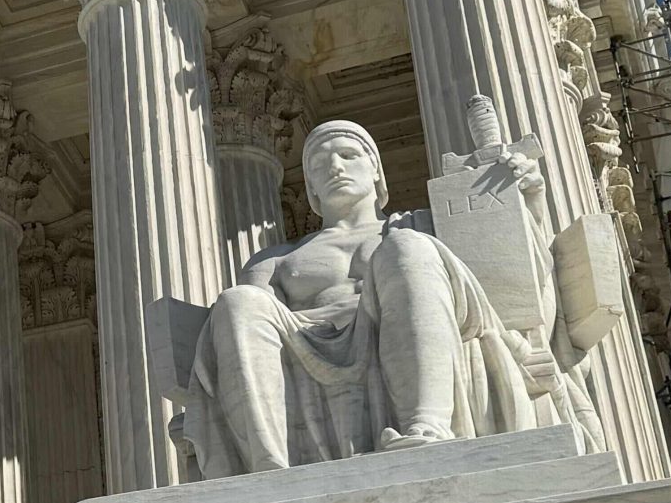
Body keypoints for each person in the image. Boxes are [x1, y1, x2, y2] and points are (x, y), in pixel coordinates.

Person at [178, 118, 598, 476]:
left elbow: (516, 283)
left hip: (403, 330)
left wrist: (528, 201)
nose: (335, 167)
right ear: (310, 190)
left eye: (348, 155)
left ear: (377, 172)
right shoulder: (276, 260)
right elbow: (240, 339)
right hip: (307, 354)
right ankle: (269, 469)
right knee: (236, 301)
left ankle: (426, 427)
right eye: (320, 164)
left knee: (405, 248)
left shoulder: (421, 225)